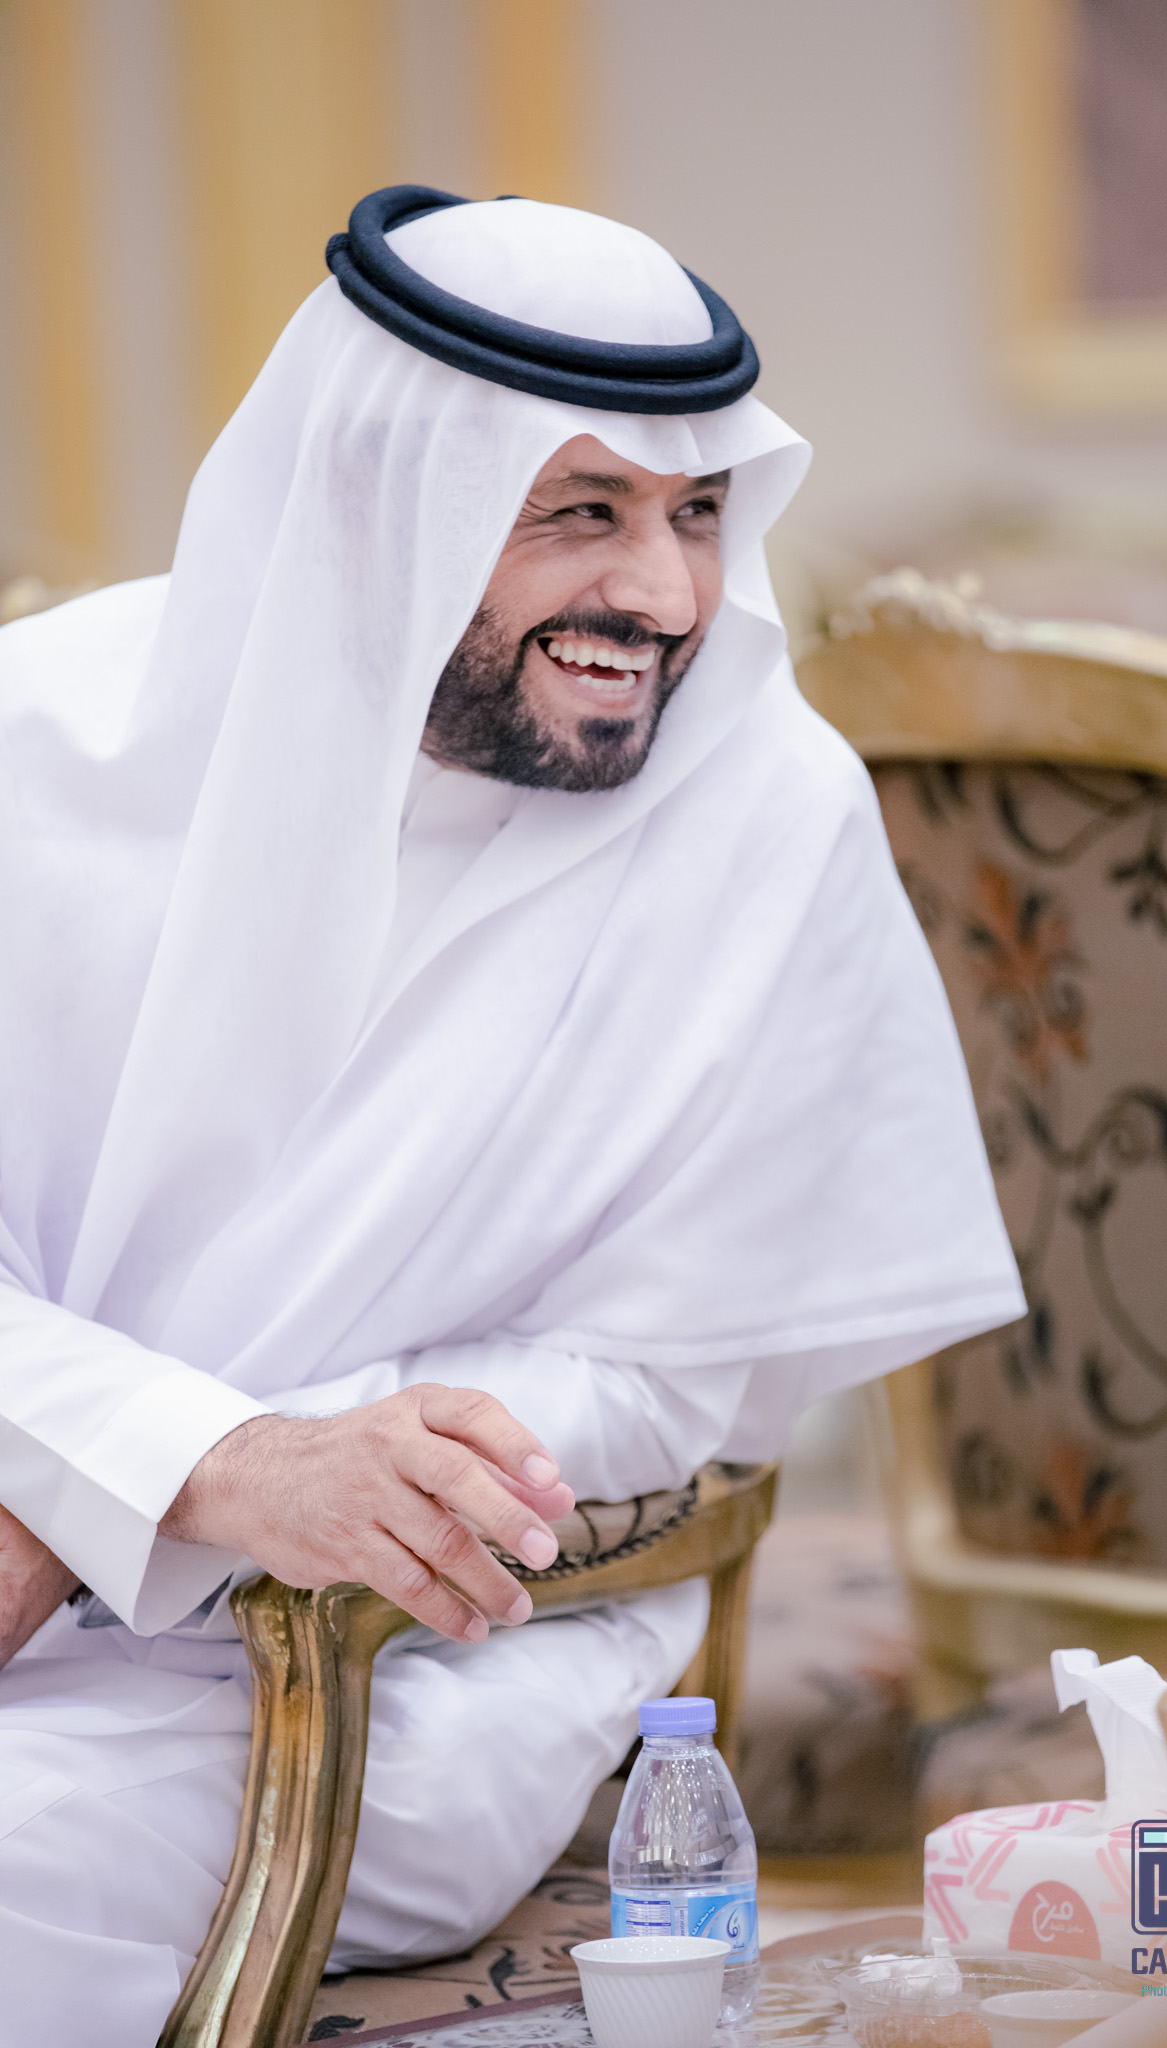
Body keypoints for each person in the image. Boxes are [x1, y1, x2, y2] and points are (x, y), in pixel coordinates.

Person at [0, 187, 1022, 2043]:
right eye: (581, 514)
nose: (665, 599)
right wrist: (143, 1462)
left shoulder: (765, 816)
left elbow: (663, 1381)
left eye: (695, 515)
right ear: (385, 498)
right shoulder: (41, 734)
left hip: (420, 1654)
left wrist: (157, 1488)